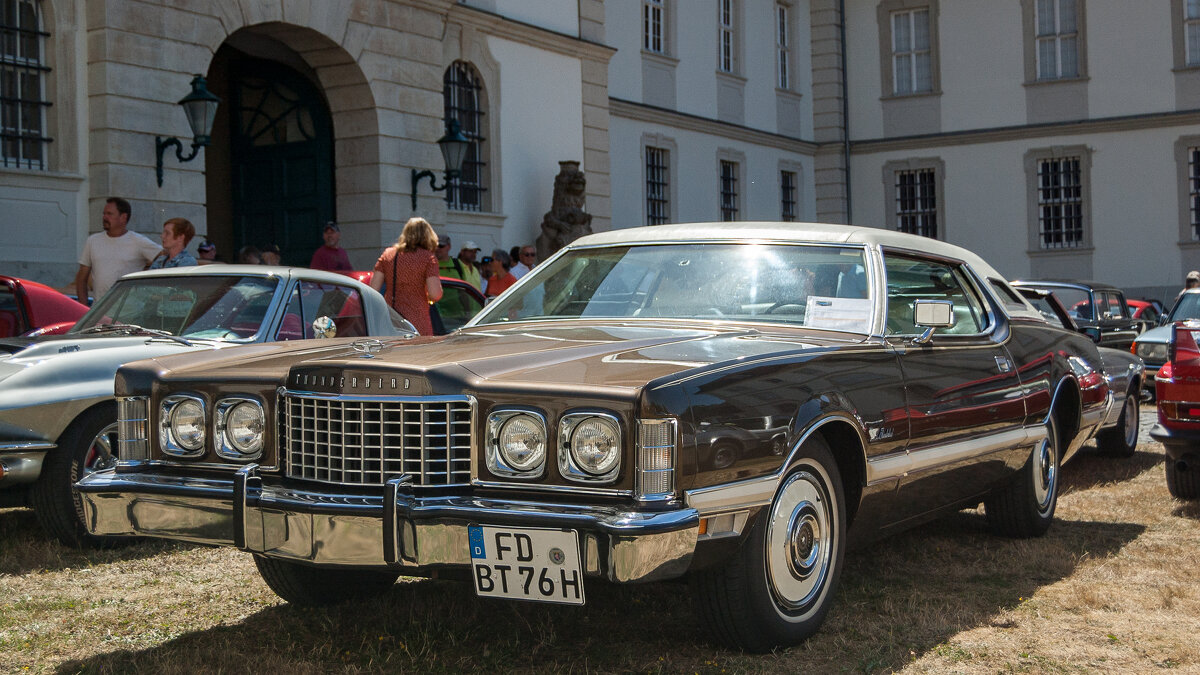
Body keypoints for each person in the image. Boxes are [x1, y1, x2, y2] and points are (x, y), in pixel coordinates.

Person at [74, 197, 162, 302]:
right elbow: (81, 279)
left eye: (110, 214)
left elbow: (165, 257)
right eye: (104, 213)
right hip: (99, 311)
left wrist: (146, 275)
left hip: (130, 313)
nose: (104, 217)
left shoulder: (139, 241)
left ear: (123, 217)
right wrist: (84, 309)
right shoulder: (93, 241)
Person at [370, 217, 443, 336]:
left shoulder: (388, 254)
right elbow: (435, 293)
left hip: (391, 317)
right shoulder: (428, 258)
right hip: (417, 319)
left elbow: (373, 290)